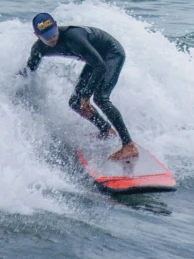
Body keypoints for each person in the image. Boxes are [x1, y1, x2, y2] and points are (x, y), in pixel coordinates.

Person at [22, 13, 138, 161]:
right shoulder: (38, 49)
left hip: (111, 54)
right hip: (94, 61)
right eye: (47, 37)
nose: (52, 39)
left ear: (56, 26)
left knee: (101, 98)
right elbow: (28, 71)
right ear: (37, 35)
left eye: (53, 34)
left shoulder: (74, 37)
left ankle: (129, 145)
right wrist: (16, 85)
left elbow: (100, 66)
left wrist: (86, 96)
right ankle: (106, 130)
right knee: (75, 102)